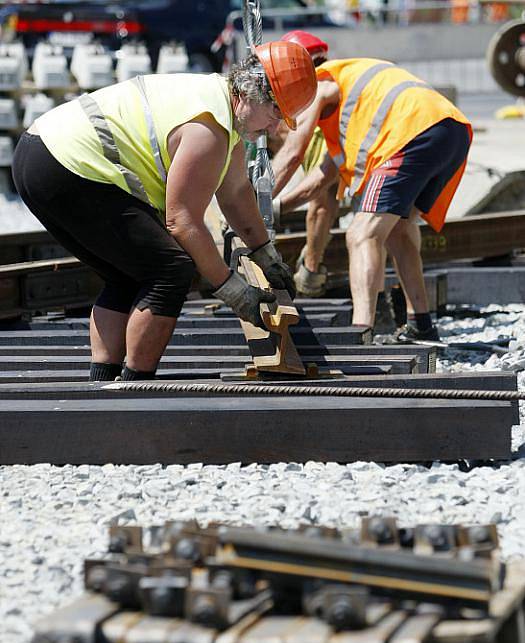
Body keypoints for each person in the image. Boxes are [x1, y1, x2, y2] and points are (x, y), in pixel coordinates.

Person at [12, 41, 317, 381]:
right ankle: (136, 387)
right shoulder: (209, 129)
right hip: (69, 165)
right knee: (170, 270)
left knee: (127, 272)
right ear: (251, 93)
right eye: (277, 112)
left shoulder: (221, 111)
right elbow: (182, 221)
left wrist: (266, 254)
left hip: (41, 154)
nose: (275, 128)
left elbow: (235, 194)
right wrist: (232, 290)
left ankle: (104, 380)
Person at [271, 57, 472, 341]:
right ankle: (421, 324)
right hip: (451, 131)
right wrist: (273, 209)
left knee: (361, 233)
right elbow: (317, 180)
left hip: (410, 133)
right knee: (398, 231)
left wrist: (261, 196)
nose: (274, 133)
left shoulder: (320, 84)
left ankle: (360, 333)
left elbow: (293, 152)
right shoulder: (353, 114)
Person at [278, 30, 339, 298]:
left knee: (368, 234)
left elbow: (321, 201)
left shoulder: (321, 100)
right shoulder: (337, 83)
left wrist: (310, 269)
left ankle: (313, 273)